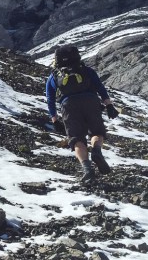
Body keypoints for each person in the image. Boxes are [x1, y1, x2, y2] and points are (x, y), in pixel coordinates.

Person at [45, 45, 119, 182]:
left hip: (68, 106)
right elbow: (100, 88)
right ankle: (96, 150)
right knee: (97, 132)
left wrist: (55, 120)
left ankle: (88, 170)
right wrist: (109, 105)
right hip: (91, 101)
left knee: (76, 138)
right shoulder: (86, 70)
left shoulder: (53, 76)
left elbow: (50, 99)